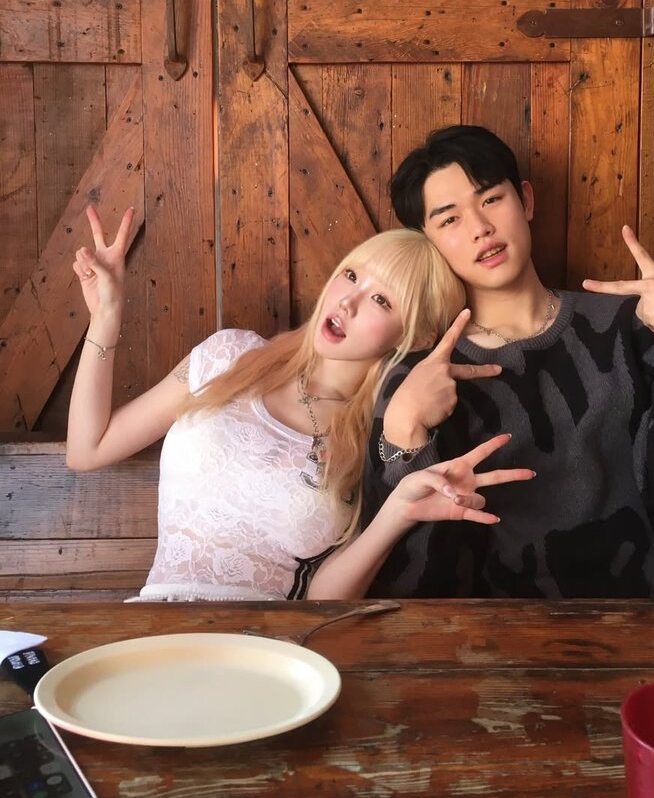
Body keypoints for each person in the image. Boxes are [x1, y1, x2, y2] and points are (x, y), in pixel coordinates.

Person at [66, 205, 535, 602]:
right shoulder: (227, 356)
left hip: (267, 649)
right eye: (351, 275)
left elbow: (319, 601)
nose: (347, 302)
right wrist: (105, 316)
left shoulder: (377, 437)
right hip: (152, 627)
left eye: (381, 299)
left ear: (416, 336)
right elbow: (87, 449)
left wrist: (396, 513)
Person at [361, 124, 654, 598]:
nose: (480, 227)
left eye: (491, 199)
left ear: (525, 200)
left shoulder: (628, 325)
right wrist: (404, 439)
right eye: (449, 220)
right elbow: (411, 580)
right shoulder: (421, 375)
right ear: (427, 242)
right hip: (500, 629)